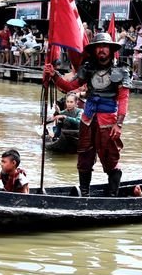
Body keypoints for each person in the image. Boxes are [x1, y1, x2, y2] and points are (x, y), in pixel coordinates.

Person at [44, 32, 132, 197]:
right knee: (84, 158)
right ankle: (84, 195)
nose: (101, 50)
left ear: (111, 49)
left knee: (110, 159)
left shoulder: (121, 70)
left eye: (104, 46)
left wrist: (119, 124)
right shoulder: (88, 68)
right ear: (94, 50)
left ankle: (112, 196)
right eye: (98, 47)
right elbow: (69, 86)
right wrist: (54, 75)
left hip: (108, 121)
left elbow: (123, 99)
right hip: (87, 120)